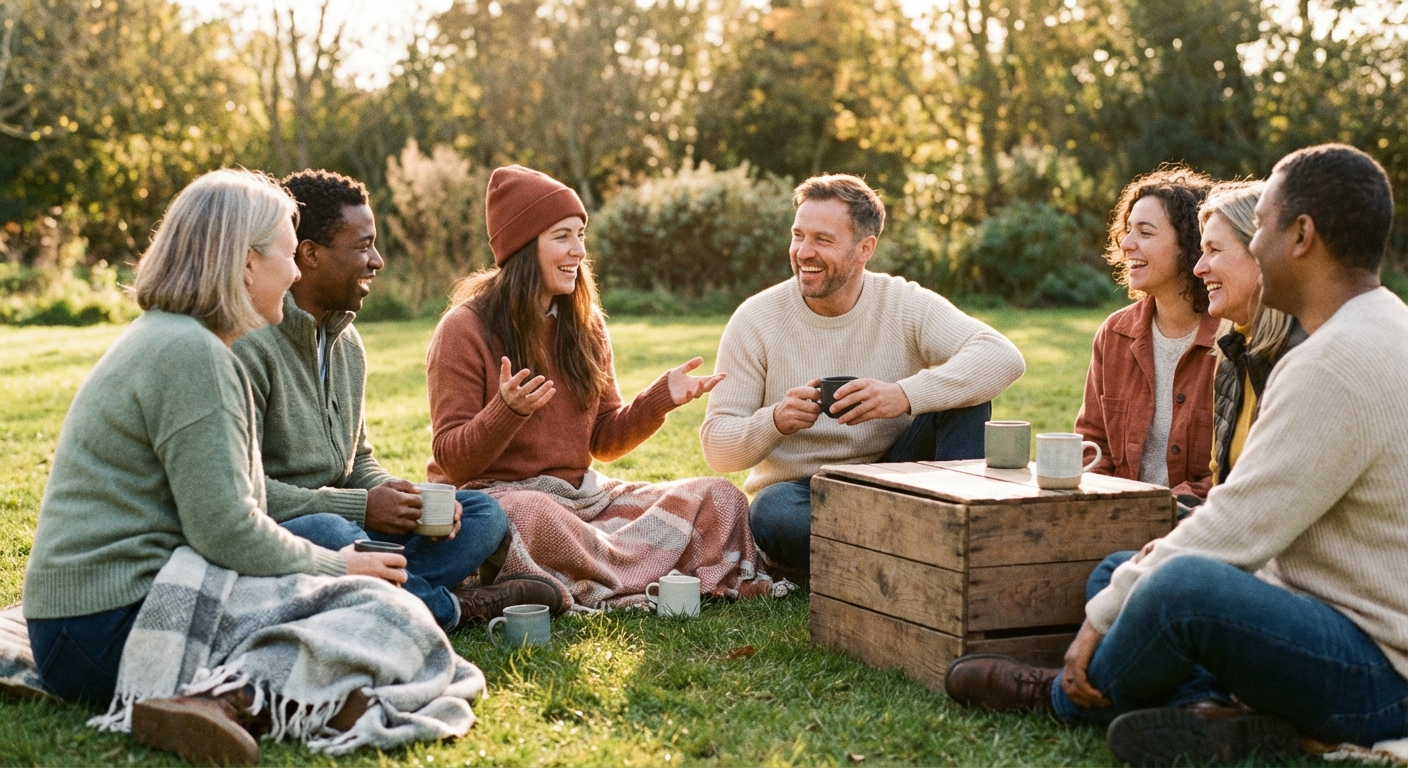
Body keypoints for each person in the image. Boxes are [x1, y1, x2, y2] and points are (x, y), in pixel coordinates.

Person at [944, 144, 1408, 766]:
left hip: (1380, 674)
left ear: (1302, 236)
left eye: (1263, 223)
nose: (1253, 241)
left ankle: (1059, 696)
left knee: (1178, 587)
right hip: (1332, 612)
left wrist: (1098, 622)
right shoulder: (1380, 326)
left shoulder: (1331, 363)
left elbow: (1235, 523)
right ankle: (1211, 710)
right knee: (1123, 570)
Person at [23, 170, 479, 765]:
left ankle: (252, 697)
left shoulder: (178, 340)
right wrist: (337, 564)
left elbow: (223, 524)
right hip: (106, 629)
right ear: (244, 264)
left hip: (89, 619)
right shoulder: (194, 356)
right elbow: (228, 529)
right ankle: (229, 699)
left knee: (359, 600)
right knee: (375, 610)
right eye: (289, 257)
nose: (295, 275)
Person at [425, 165, 780, 611]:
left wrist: (659, 400)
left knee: (719, 497)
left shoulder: (583, 323)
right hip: (499, 498)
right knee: (531, 515)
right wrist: (506, 411)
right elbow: (452, 462)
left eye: (581, 235)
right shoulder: (465, 328)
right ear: (522, 247)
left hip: (583, 500)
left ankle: (595, 574)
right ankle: (638, 572)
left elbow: (604, 440)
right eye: (562, 237)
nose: (578, 251)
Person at [232, 169, 554, 628]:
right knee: (331, 532)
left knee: (482, 513)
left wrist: (409, 498)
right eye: (363, 246)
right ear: (310, 255)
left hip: (351, 527)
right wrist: (362, 508)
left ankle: (377, 590)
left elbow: (356, 461)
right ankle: (454, 606)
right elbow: (245, 493)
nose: (378, 260)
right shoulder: (250, 345)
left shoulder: (347, 345)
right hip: (290, 533)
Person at [699, 174, 1025, 573]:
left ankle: (912, 545)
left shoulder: (902, 301)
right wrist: (776, 421)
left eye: (823, 240)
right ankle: (934, 548)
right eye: (798, 235)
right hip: (808, 493)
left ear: (864, 249)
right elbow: (717, 447)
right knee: (771, 512)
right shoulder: (756, 319)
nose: (804, 252)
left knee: (967, 401)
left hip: (900, 476)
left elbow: (1002, 356)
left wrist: (903, 396)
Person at [1074, 166, 1219, 507]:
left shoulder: (1233, 339)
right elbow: (1091, 446)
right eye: (1127, 231)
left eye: (1145, 232)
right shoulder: (1114, 334)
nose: (1126, 244)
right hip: (1118, 516)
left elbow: (1232, 470)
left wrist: (1160, 510)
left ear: (1190, 243)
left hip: (1194, 522)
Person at [1192, 181, 1306, 485]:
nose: (1199, 268)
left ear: (1262, 255)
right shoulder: (1233, 351)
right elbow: (1224, 487)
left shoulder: (1305, 356)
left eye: (1213, 250)